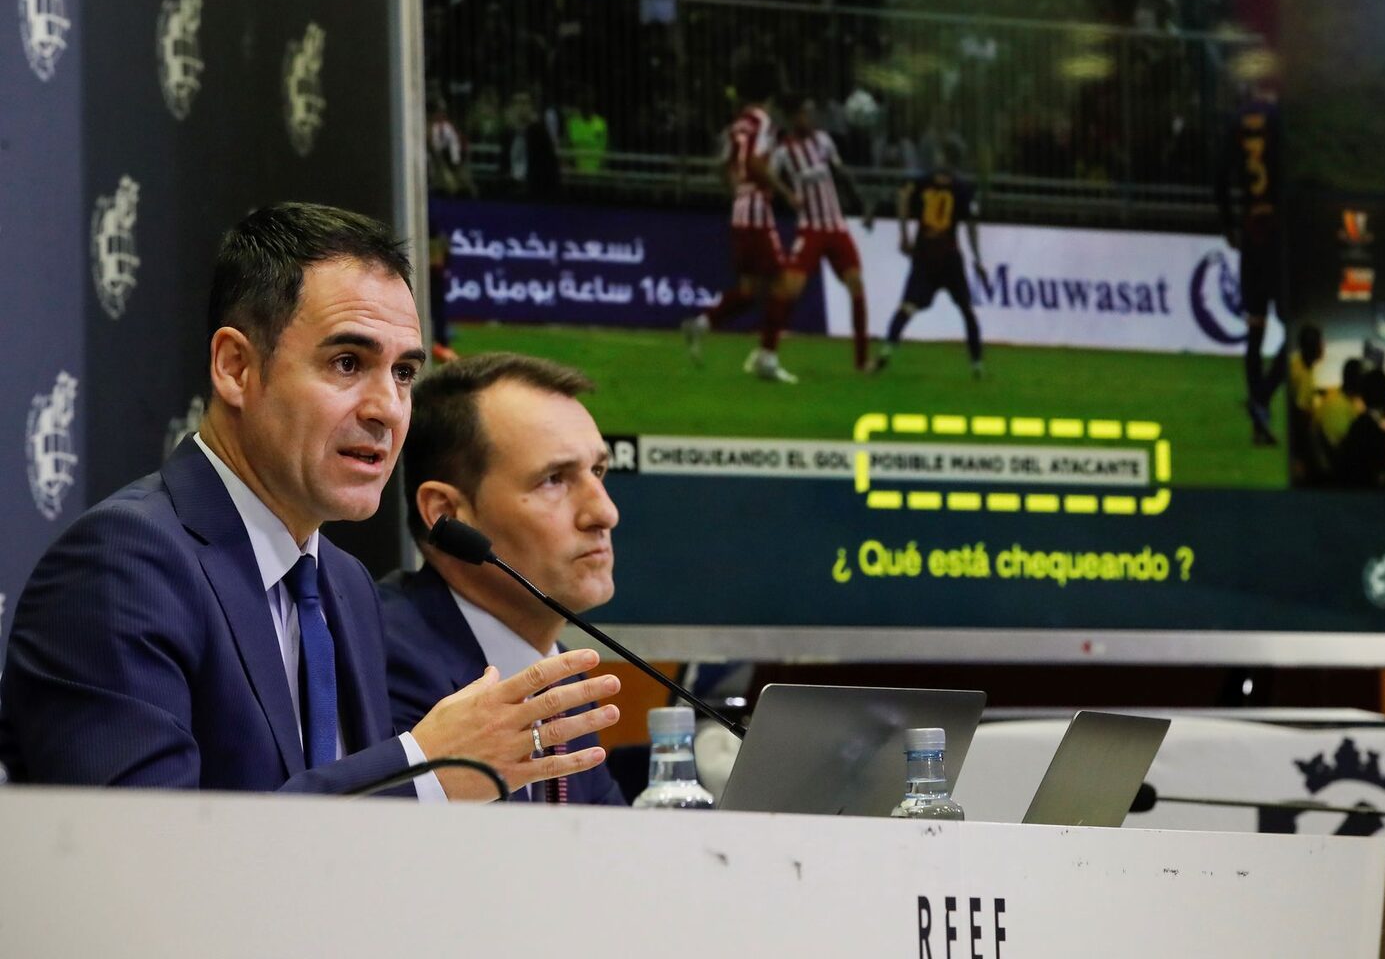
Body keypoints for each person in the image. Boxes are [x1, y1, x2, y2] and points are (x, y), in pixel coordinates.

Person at [0, 204, 619, 799]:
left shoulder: (345, 587)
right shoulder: (123, 565)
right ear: (236, 367)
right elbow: (144, 850)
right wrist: (425, 773)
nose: (387, 409)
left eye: (404, 373)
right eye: (348, 363)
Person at [380, 353, 625, 805]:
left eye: (597, 471)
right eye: (553, 479)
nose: (605, 513)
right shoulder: (381, 661)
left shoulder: (563, 679)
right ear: (447, 515)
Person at [681, 60, 801, 382]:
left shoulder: (737, 124)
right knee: (784, 284)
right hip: (758, 210)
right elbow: (757, 164)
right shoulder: (763, 121)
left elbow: (722, 165)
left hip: (740, 209)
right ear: (770, 93)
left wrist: (737, 191)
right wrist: (786, 192)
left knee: (749, 291)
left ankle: (701, 324)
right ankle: (768, 358)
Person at [767, 94, 874, 372]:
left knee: (856, 284)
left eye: (810, 113)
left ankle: (862, 361)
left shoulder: (823, 141)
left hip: (835, 226)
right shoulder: (783, 152)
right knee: (791, 288)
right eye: (804, 113)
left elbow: (841, 173)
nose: (809, 118)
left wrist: (861, 203)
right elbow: (769, 180)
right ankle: (767, 351)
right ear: (793, 118)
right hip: (810, 228)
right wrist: (787, 195)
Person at [1215, 49, 1287, 446]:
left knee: (1254, 331)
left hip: (1251, 233)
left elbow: (1219, 178)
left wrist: (1228, 223)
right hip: (1279, 233)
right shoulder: (1280, 120)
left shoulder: (1235, 122)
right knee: (1294, 333)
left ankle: (1259, 424)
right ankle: (1262, 396)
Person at [870, 147, 988, 378]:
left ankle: (885, 352)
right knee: (966, 310)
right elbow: (971, 225)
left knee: (908, 307)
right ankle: (977, 365)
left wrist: (903, 234)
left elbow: (902, 197)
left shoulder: (921, 183)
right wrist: (977, 259)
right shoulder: (963, 189)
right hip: (948, 257)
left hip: (926, 256)